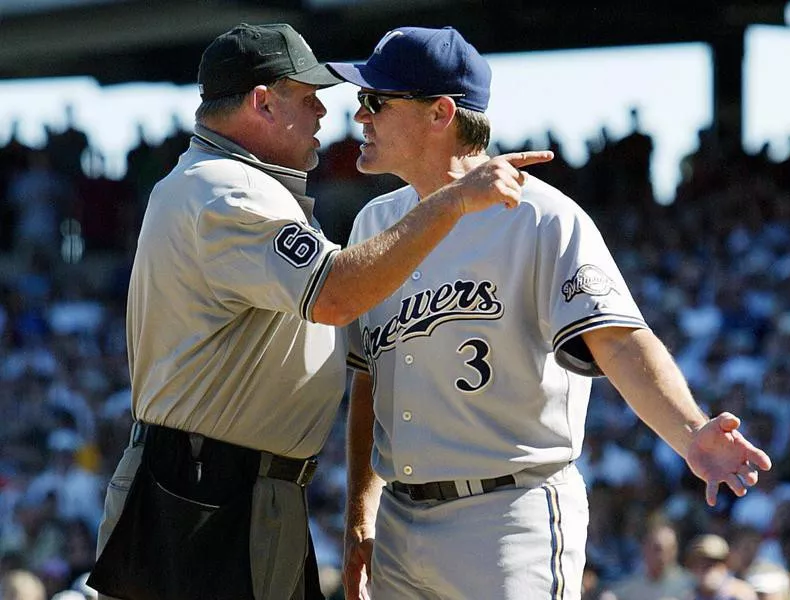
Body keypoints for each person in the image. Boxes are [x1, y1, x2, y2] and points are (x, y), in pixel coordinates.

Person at [87, 22, 552, 600]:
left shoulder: (227, 184)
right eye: (308, 101)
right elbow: (333, 294)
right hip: (207, 492)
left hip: (225, 485)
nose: (325, 117)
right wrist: (454, 200)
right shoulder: (226, 189)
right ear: (262, 102)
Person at [326, 25, 773, 600]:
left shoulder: (540, 216)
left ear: (440, 113)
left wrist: (690, 432)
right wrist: (362, 513)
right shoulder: (373, 224)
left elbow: (617, 339)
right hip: (399, 523)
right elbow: (367, 380)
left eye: (375, 101)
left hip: (507, 516)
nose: (360, 116)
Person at [607, 519, 694, 600]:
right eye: (658, 549)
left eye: (671, 549)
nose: (666, 555)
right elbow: (612, 593)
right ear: (645, 548)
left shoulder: (688, 585)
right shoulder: (636, 583)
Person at [685, 534, 758, 600]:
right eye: (701, 563)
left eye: (714, 563)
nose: (708, 569)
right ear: (692, 567)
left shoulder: (741, 594)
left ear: (726, 565)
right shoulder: (687, 595)